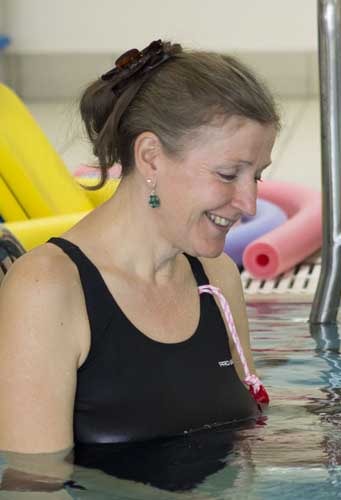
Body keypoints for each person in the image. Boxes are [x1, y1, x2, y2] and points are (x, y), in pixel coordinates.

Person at [0, 39, 278, 485]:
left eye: (257, 176)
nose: (249, 203)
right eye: (229, 174)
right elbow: (32, 487)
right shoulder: (46, 290)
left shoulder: (217, 277)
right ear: (150, 157)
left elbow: (243, 450)